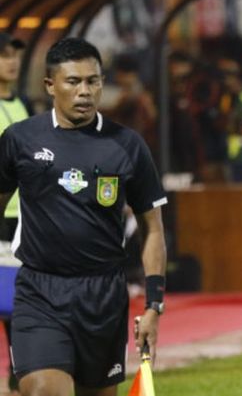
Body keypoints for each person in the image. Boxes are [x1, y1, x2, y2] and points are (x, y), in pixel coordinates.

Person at [0, 37, 167, 396]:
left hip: (102, 295)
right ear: (50, 85)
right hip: (39, 290)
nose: (85, 91)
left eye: (93, 81)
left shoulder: (127, 145)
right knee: (45, 389)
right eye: (73, 82)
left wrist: (154, 304)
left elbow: (153, 229)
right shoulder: (20, 140)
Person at [0, 32, 32, 396]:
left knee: (16, 295)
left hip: (21, 216)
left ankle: (17, 367)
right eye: (4, 55)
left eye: (14, 54)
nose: (11, 61)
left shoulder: (22, 102)